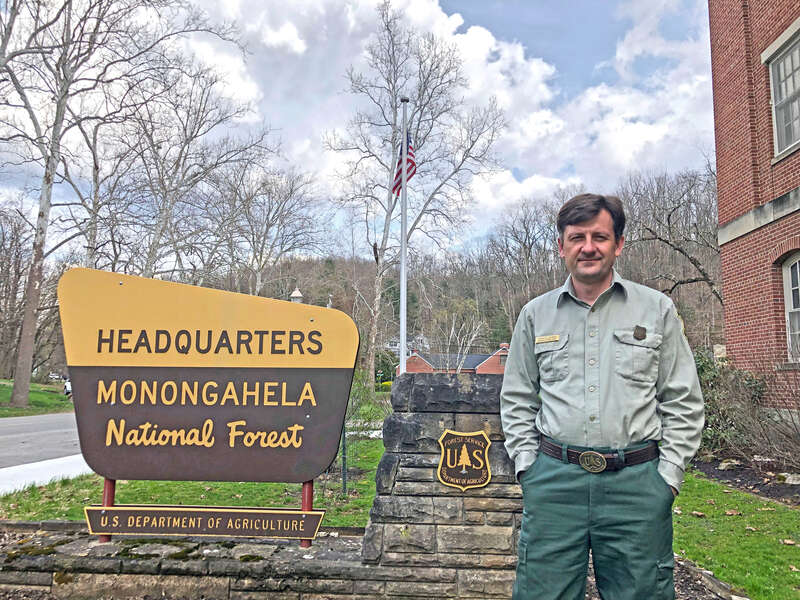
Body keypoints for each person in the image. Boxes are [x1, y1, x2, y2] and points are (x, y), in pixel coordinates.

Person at [500, 193, 704, 600]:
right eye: (577, 237)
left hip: (636, 485)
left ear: (619, 244)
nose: (588, 247)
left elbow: (683, 399)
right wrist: (527, 468)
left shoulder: (657, 310)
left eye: (600, 237)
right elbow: (518, 397)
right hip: (554, 484)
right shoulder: (535, 315)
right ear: (561, 246)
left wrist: (667, 477)